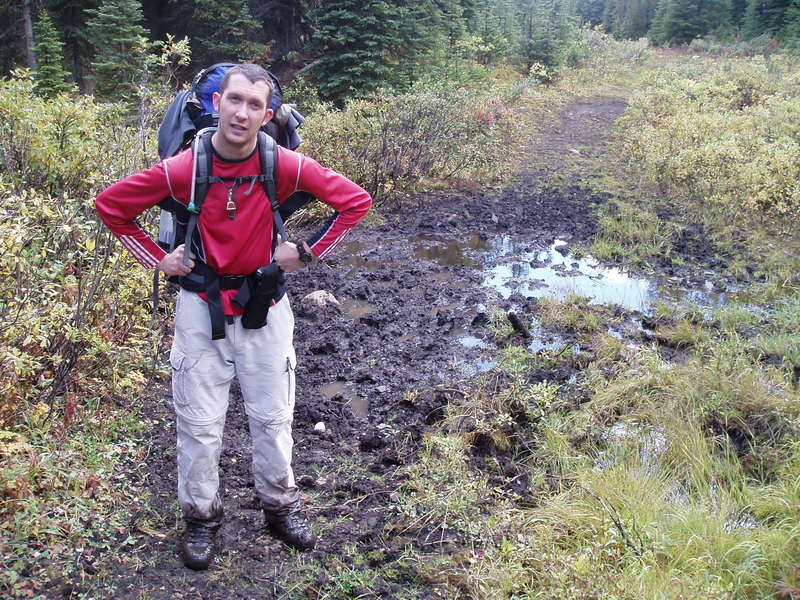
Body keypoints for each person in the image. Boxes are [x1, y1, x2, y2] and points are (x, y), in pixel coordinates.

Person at [95, 63, 372, 570]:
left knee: (273, 418)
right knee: (199, 425)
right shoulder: (187, 168)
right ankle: (202, 518)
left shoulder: (282, 163)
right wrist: (159, 259)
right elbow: (111, 207)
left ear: (267, 116)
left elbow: (355, 202)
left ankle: (280, 506)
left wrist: (305, 253)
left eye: (254, 105)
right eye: (235, 100)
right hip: (200, 309)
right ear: (218, 102)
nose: (242, 113)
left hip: (265, 308)